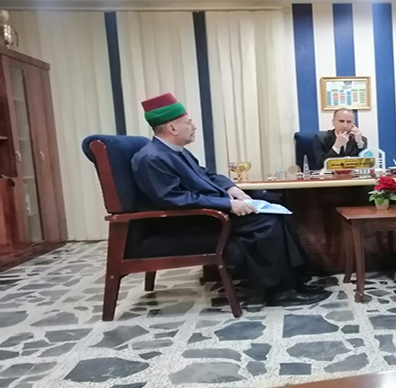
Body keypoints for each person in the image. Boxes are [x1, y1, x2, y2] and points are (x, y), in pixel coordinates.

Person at [131, 93, 329, 306]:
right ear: (172, 128)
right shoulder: (152, 158)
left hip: (205, 212)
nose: (194, 127)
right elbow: (173, 199)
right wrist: (227, 204)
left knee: (277, 209)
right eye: (189, 122)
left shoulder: (176, 152)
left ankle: (295, 281)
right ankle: (279, 292)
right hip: (188, 221)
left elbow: (207, 175)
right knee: (266, 222)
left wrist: (230, 188)